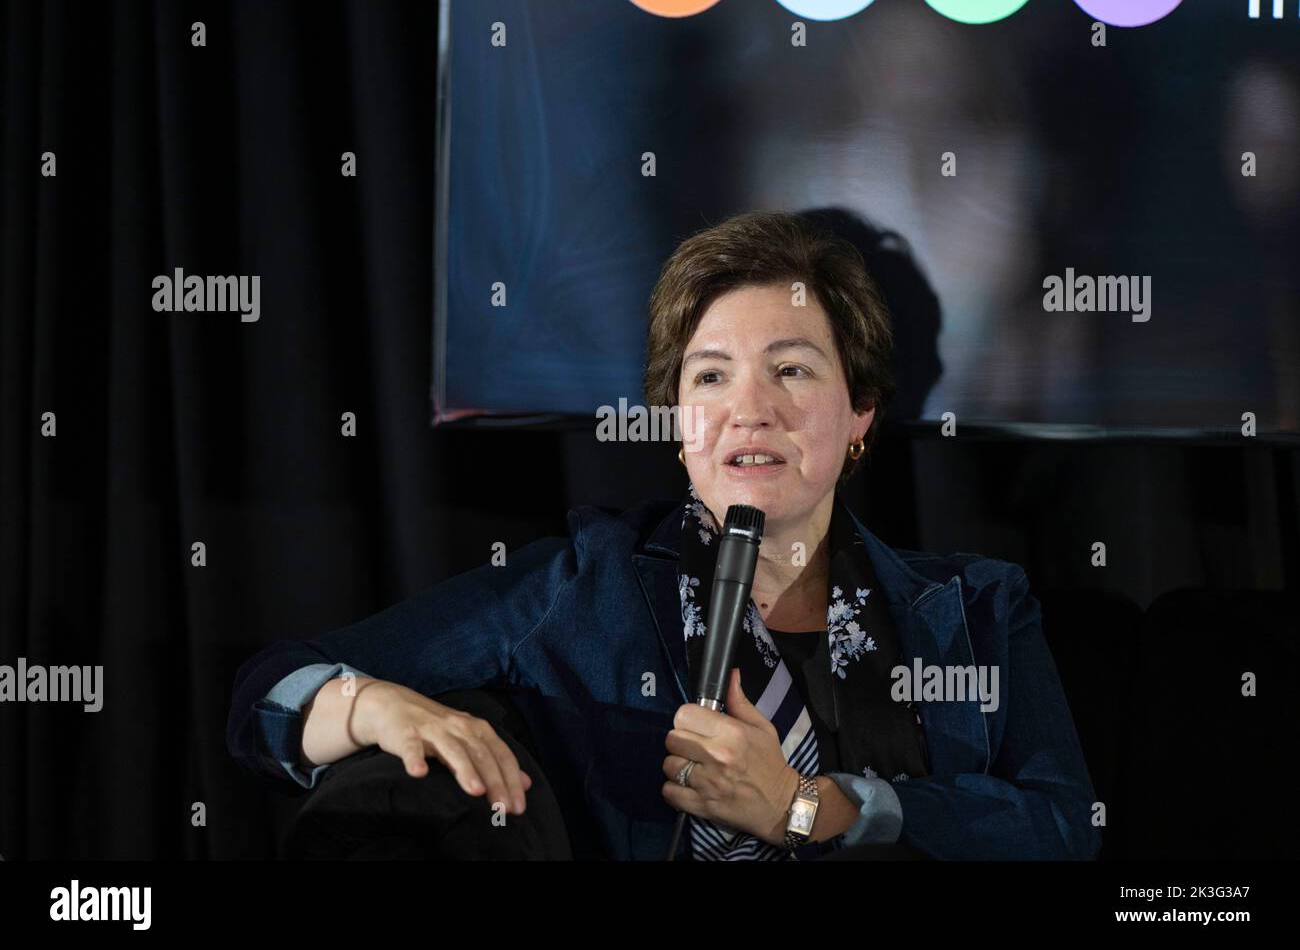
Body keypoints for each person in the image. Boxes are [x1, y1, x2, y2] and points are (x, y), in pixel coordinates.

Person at [226, 210, 1102, 861]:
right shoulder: (582, 582)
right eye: (711, 376)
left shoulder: (978, 603)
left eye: (792, 369)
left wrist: (808, 806)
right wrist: (373, 703)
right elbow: (268, 693)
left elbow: (1064, 827)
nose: (749, 410)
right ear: (679, 420)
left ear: (862, 412)